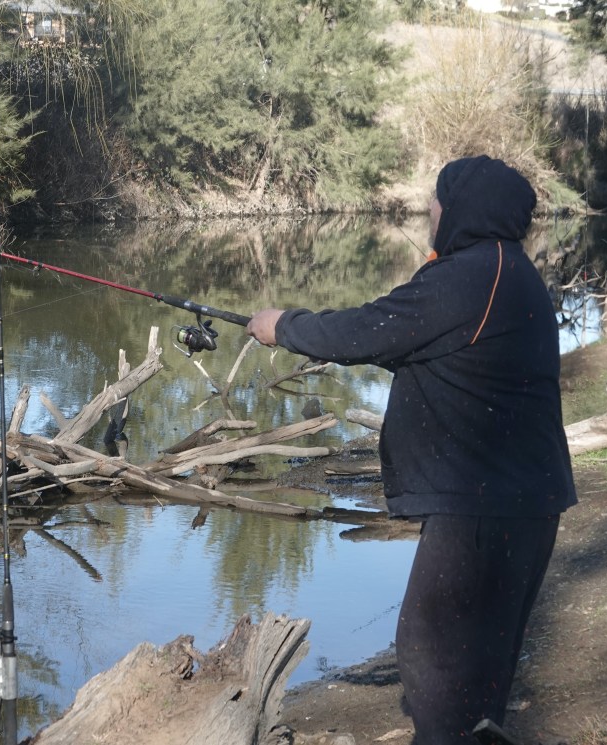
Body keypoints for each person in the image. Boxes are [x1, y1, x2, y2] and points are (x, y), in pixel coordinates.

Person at [247, 155, 577, 744]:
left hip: (484, 507)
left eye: (438, 197)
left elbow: (368, 329)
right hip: (519, 501)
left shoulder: (469, 276)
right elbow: (422, 346)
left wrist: (283, 325)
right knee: (480, 669)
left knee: (432, 655)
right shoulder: (509, 272)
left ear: (465, 207)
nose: (430, 207)